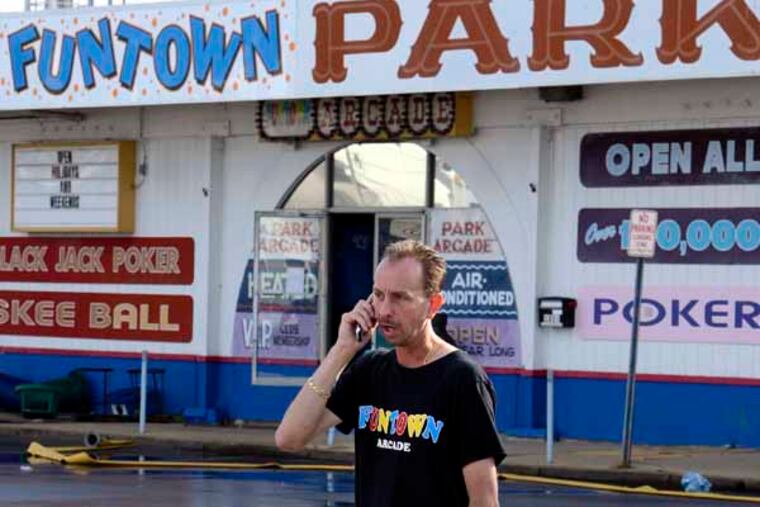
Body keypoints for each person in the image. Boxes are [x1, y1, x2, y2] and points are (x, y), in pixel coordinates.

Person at [275, 239, 506, 507]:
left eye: (400, 297)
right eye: (379, 295)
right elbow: (289, 438)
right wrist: (341, 351)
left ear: (433, 304)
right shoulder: (369, 370)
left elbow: (485, 500)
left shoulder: (462, 379)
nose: (385, 311)